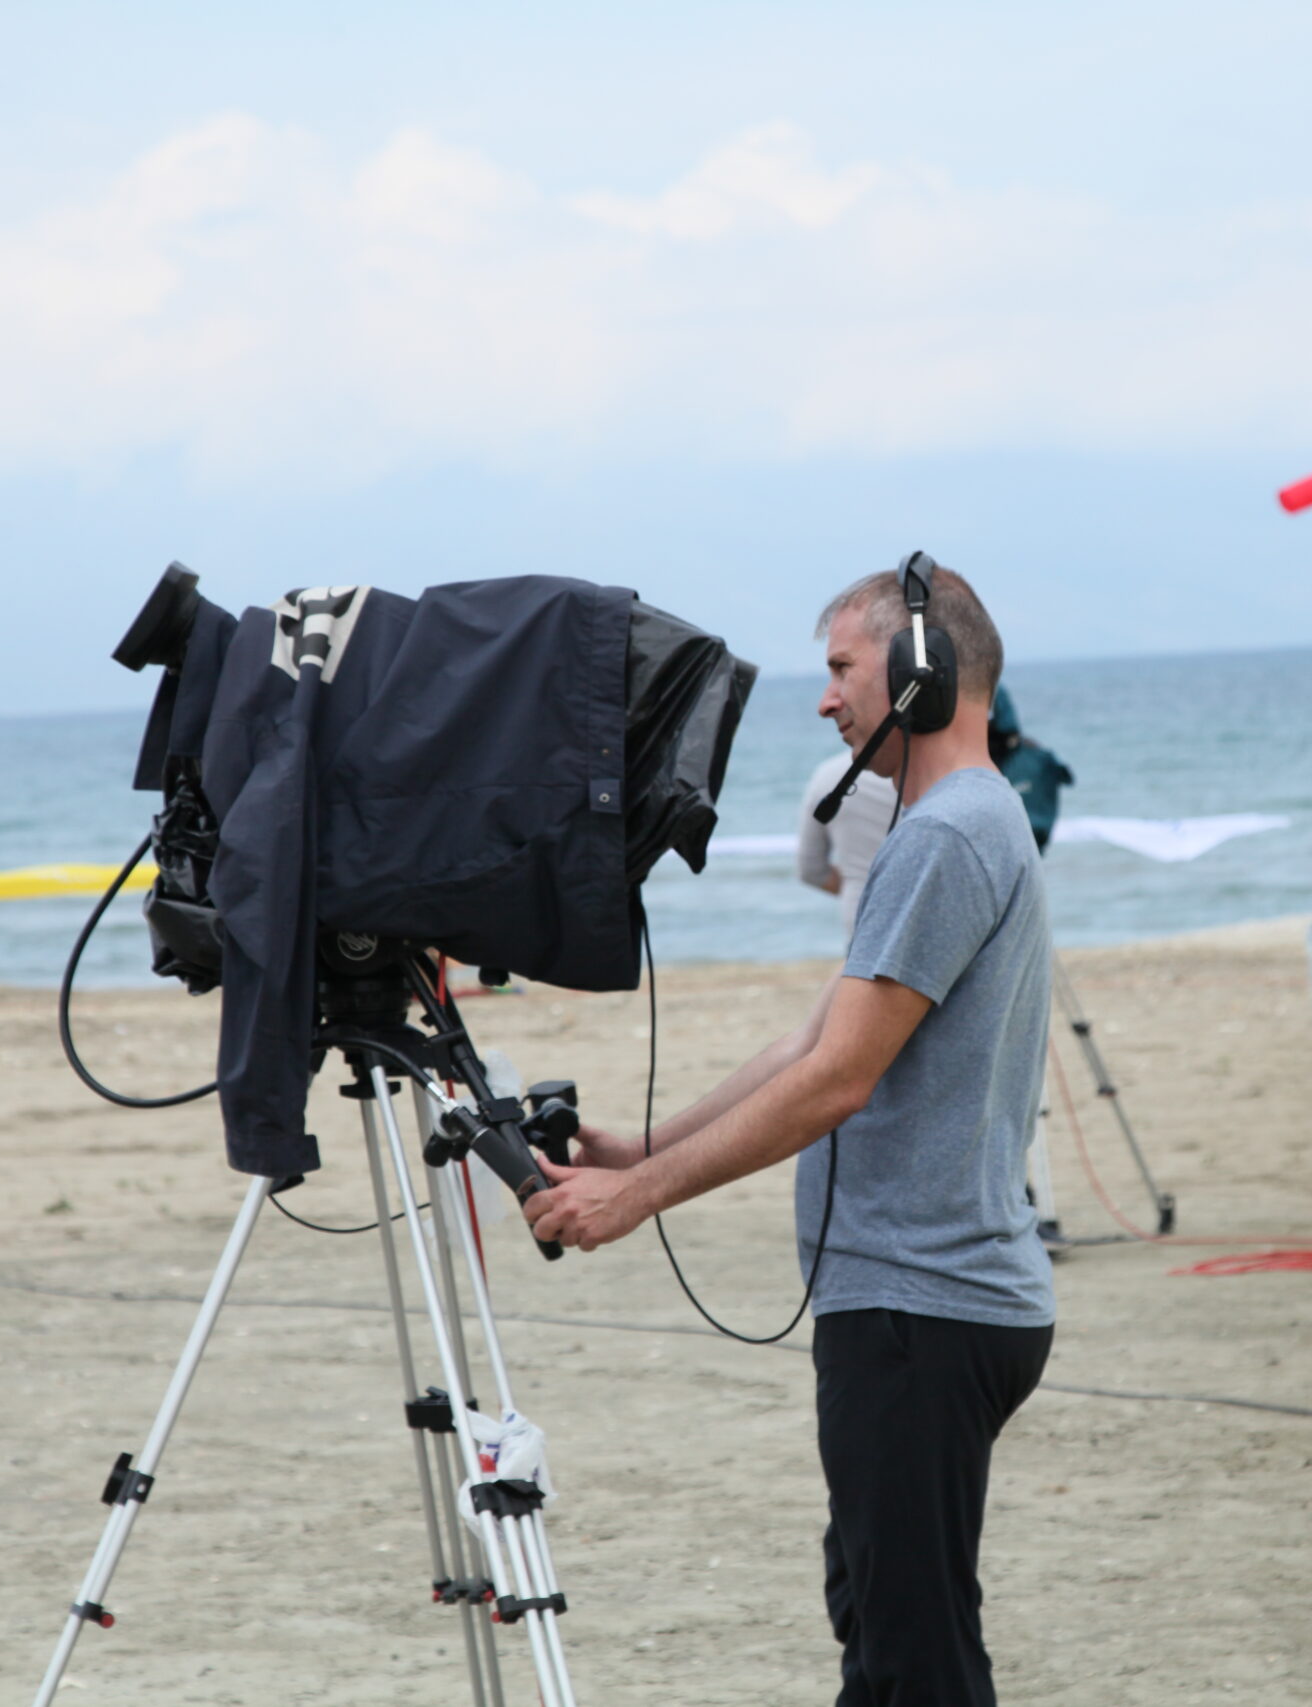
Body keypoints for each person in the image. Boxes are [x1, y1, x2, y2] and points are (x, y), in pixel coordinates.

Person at [524, 563, 1055, 1707]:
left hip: (921, 1305)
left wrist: (641, 1199)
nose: (824, 700)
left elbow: (836, 1083)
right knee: (878, 1622)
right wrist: (637, 1150)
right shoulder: (958, 823)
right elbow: (807, 1046)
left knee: (914, 1664)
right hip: (923, 1303)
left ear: (918, 673)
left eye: (841, 669)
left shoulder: (946, 836)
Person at [796, 751, 899, 940]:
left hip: (859, 914)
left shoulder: (828, 774)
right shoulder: (922, 772)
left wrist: (858, 884)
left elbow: (811, 870)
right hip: (923, 910)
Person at [988, 683, 1075, 849]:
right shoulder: (1037, 754)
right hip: (1033, 843)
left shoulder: (1035, 756)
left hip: (1019, 842)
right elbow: (1067, 777)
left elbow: (1067, 777)